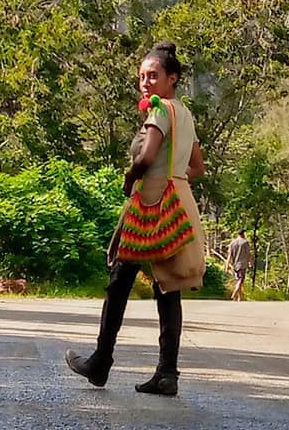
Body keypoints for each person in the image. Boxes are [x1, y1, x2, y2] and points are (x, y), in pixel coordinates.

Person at [66, 42, 206, 397]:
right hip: (179, 199)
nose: (146, 82)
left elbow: (147, 155)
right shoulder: (185, 114)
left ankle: (101, 361)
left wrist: (134, 176)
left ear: (172, 78)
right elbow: (197, 167)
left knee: (120, 279)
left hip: (150, 201)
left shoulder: (159, 111)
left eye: (153, 75)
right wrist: (175, 176)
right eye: (142, 76)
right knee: (168, 285)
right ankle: (166, 373)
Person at [226, 230, 252, 301]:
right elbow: (248, 253)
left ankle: (239, 298)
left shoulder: (232, 243)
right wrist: (250, 262)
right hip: (242, 264)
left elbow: (229, 255)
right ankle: (234, 293)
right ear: (243, 234)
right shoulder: (245, 242)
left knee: (238, 279)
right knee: (240, 280)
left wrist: (227, 265)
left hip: (235, 264)